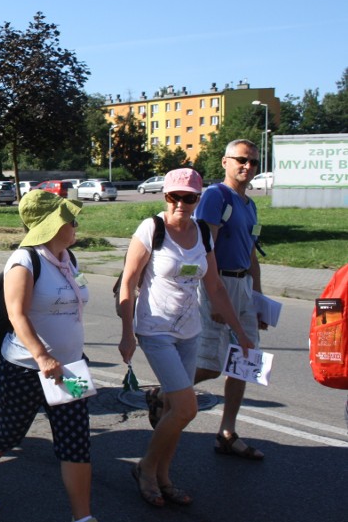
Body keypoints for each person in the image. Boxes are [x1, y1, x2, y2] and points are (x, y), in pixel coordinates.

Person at [117, 168, 254, 508]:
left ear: (197, 199)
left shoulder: (204, 234)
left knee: (173, 409)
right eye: (174, 196)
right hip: (155, 329)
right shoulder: (152, 228)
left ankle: (164, 476)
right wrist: (126, 334)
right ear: (165, 196)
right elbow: (128, 283)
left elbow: (216, 287)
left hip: (189, 331)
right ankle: (147, 469)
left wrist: (240, 331)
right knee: (186, 407)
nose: (180, 203)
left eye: (188, 197)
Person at [0, 191, 95, 520]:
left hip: (72, 368)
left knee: (76, 442)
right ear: (51, 225)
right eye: (69, 219)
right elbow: (17, 316)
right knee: (9, 432)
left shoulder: (69, 259)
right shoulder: (24, 261)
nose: (75, 223)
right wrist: (42, 356)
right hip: (24, 368)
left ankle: (83, 517)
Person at [193, 139, 268, 460]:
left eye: (253, 162)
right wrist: (216, 296)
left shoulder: (250, 205)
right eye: (241, 160)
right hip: (217, 283)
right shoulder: (215, 196)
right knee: (211, 366)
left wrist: (259, 297)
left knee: (246, 361)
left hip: (243, 285)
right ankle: (164, 393)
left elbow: (252, 252)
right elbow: (204, 247)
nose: (247, 166)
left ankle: (227, 432)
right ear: (225, 162)